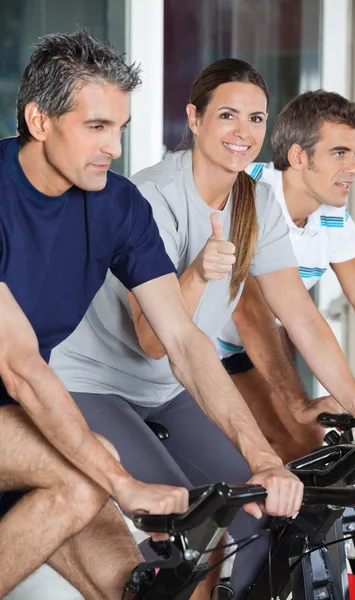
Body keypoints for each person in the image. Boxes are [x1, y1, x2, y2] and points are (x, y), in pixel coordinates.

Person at [50, 59, 355, 598]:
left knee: (266, 518)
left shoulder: (255, 201)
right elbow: (151, 340)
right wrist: (197, 272)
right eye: (228, 116)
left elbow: (302, 318)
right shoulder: (153, 198)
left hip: (170, 388)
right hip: (95, 383)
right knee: (184, 523)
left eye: (256, 119)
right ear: (194, 119)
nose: (244, 132)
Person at [0, 32, 304, 600]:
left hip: (18, 415)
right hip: (22, 399)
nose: (113, 147)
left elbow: (183, 340)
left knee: (139, 586)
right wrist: (124, 484)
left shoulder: (117, 206)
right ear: (40, 121)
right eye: (96, 127)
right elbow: (18, 363)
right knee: (88, 476)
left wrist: (262, 459)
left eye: (120, 128)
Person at [216, 90, 355, 462]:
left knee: (307, 448)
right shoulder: (247, 194)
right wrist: (297, 401)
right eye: (339, 153)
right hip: (189, 347)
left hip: (238, 348)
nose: (354, 167)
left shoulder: (332, 214)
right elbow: (248, 310)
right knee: (259, 458)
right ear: (299, 156)